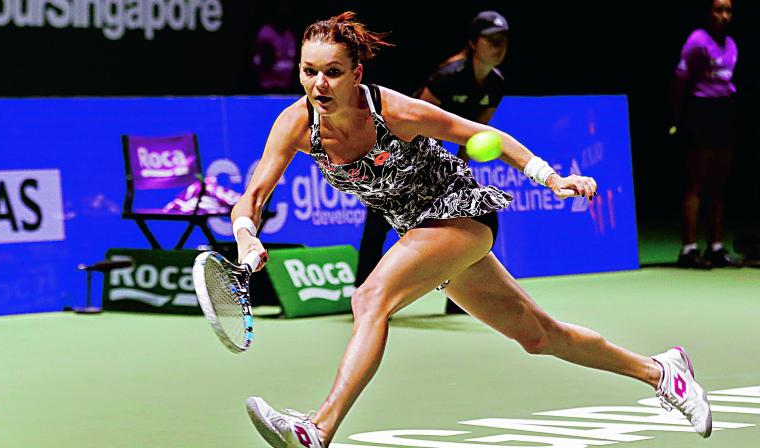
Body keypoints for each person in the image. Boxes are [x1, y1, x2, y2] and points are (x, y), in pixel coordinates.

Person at [232, 12, 713, 447]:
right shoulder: (296, 124)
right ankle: (661, 372)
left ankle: (319, 429)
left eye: (332, 72)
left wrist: (550, 177)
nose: (318, 83)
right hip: (419, 233)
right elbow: (253, 197)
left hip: (459, 214)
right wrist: (246, 235)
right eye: (309, 71)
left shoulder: (393, 111)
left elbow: (483, 137)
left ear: (356, 74)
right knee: (540, 336)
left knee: (368, 298)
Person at [355, 11, 510, 316]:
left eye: (503, 41)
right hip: (400, 153)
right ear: (473, 43)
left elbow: (475, 133)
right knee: (378, 222)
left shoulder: (495, 84)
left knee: (468, 214)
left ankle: (461, 301)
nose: (498, 47)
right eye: (491, 40)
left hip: (441, 163)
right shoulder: (448, 75)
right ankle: (362, 291)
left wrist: (459, 169)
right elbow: (419, 122)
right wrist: (428, 169)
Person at [672, 0, 739, 269]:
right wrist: (678, 119)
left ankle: (716, 247)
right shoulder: (697, 41)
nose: (724, 16)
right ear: (708, 12)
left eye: (728, 10)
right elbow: (679, 81)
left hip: (725, 113)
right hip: (700, 113)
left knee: (719, 184)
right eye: (718, 10)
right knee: (696, 183)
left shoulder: (732, 44)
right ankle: (688, 249)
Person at [251, 0, 298, 93]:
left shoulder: (289, 35)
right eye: (281, 11)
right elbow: (266, 64)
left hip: (287, 87)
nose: (284, 13)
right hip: (269, 87)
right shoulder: (266, 33)